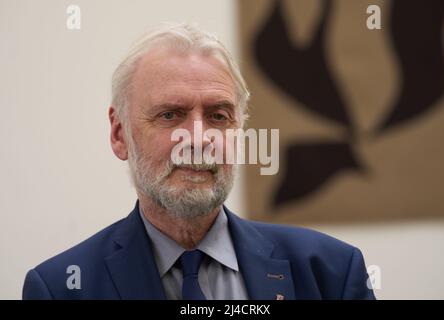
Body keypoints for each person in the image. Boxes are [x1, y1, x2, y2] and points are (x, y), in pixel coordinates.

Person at [22, 23, 375, 300]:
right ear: (119, 134)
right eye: (170, 115)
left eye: (219, 116)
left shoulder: (331, 274)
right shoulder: (62, 288)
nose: (198, 138)